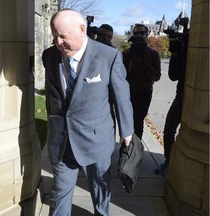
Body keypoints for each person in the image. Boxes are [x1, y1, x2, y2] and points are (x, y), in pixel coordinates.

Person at [42, 9, 134, 216]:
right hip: (62, 141)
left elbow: (121, 97)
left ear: (82, 29)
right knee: (59, 195)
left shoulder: (108, 56)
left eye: (63, 36)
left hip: (95, 141)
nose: (58, 42)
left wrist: (127, 133)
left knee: (100, 193)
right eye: (54, 36)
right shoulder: (48, 56)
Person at [155, 35, 188, 175]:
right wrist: (175, 54)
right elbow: (173, 76)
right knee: (169, 130)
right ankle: (169, 161)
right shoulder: (184, 49)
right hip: (181, 96)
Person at [122, 24, 161, 139]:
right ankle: (125, 148)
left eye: (141, 33)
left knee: (138, 122)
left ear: (147, 34)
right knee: (126, 121)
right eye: (136, 33)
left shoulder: (153, 54)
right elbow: (120, 75)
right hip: (128, 92)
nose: (138, 35)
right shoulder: (126, 54)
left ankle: (136, 150)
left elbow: (157, 76)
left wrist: (145, 64)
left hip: (144, 92)